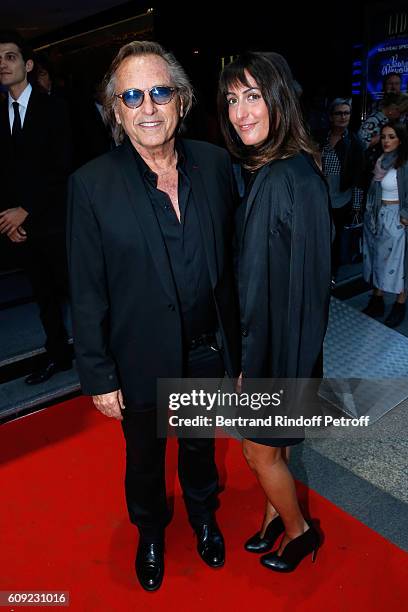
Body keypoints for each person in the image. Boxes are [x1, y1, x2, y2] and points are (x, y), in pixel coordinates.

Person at [67, 41, 240, 592]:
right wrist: (98, 374)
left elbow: (234, 271)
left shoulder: (215, 165)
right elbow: (87, 289)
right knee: (144, 459)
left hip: (204, 351)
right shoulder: (91, 185)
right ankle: (150, 531)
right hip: (137, 358)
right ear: (116, 110)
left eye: (160, 91)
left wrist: (240, 351)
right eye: (132, 96)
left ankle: (203, 515)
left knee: (198, 444)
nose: (148, 106)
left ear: (182, 102)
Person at [218, 51, 331, 572]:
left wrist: (247, 365)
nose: (241, 112)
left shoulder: (276, 180)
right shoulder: (301, 167)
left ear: (279, 98)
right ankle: (271, 519)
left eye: (253, 96)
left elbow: (256, 288)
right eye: (233, 99)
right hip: (299, 340)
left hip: (272, 345)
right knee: (278, 447)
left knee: (256, 452)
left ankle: (299, 530)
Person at [0, 30, 72, 383]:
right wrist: (8, 221)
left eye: (10, 57)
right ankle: (57, 354)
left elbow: (64, 167)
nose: (2, 63)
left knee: (79, 292)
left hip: (56, 221)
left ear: (28, 65)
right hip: (21, 226)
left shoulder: (54, 109)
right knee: (43, 297)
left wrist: (25, 209)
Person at [362, 121, 408, 327]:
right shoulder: (381, 160)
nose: (386, 141)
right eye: (383, 136)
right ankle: (377, 299)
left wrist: (405, 215)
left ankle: (400, 305)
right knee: (377, 259)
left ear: (400, 139)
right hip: (377, 215)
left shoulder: (404, 163)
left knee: (398, 264)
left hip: (397, 218)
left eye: (391, 136)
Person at [316, 97, 365, 279]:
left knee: (335, 240)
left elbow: (359, 178)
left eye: (347, 113)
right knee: (318, 236)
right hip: (318, 196)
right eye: (339, 113)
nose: (343, 116)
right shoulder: (320, 138)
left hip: (340, 199)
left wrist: (357, 206)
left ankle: (331, 275)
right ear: (330, 116)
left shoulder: (354, 143)